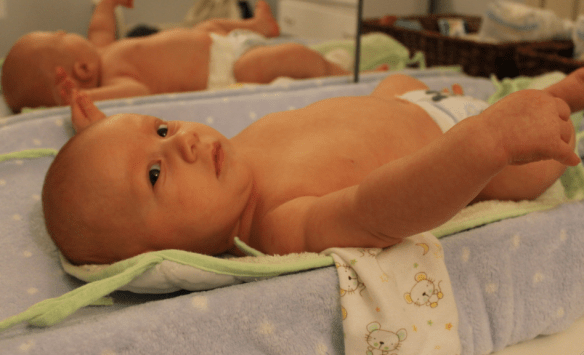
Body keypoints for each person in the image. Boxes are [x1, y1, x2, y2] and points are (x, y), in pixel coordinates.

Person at [41, 68, 584, 265]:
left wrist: (103, 135)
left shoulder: (225, 162)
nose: (183, 141)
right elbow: (374, 213)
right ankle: (562, 97)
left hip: (407, 104)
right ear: (164, 254)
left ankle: (526, 103)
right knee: (538, 162)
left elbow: (119, 175)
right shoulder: (274, 226)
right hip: (465, 156)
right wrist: (487, 142)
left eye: (162, 129)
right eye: (155, 175)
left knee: (394, 81)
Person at [1, 0, 353, 113]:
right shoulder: (118, 77)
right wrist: (81, 99)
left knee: (208, 25)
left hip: (220, 43)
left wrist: (108, 3)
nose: (67, 31)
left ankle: (257, 27)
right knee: (286, 58)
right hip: (227, 70)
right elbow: (138, 93)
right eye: (61, 36)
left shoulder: (101, 49)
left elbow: (100, 27)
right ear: (81, 70)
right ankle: (344, 73)